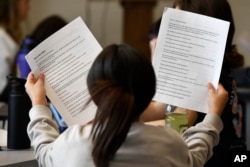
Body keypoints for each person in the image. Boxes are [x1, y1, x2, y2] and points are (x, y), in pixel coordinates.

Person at [25, 43, 228, 167]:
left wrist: (39, 103)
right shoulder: (168, 144)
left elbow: (43, 153)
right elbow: (196, 157)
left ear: (93, 93)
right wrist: (213, 114)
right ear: (150, 93)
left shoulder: (73, 142)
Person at [141, 0, 246, 166]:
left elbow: (177, 124)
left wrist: (122, 127)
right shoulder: (217, 69)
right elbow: (158, 108)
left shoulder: (205, 76)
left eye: (178, 24)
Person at [0, 0, 30, 103]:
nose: (29, 7)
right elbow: (2, 87)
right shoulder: (1, 38)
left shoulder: (11, 36)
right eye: (26, 2)